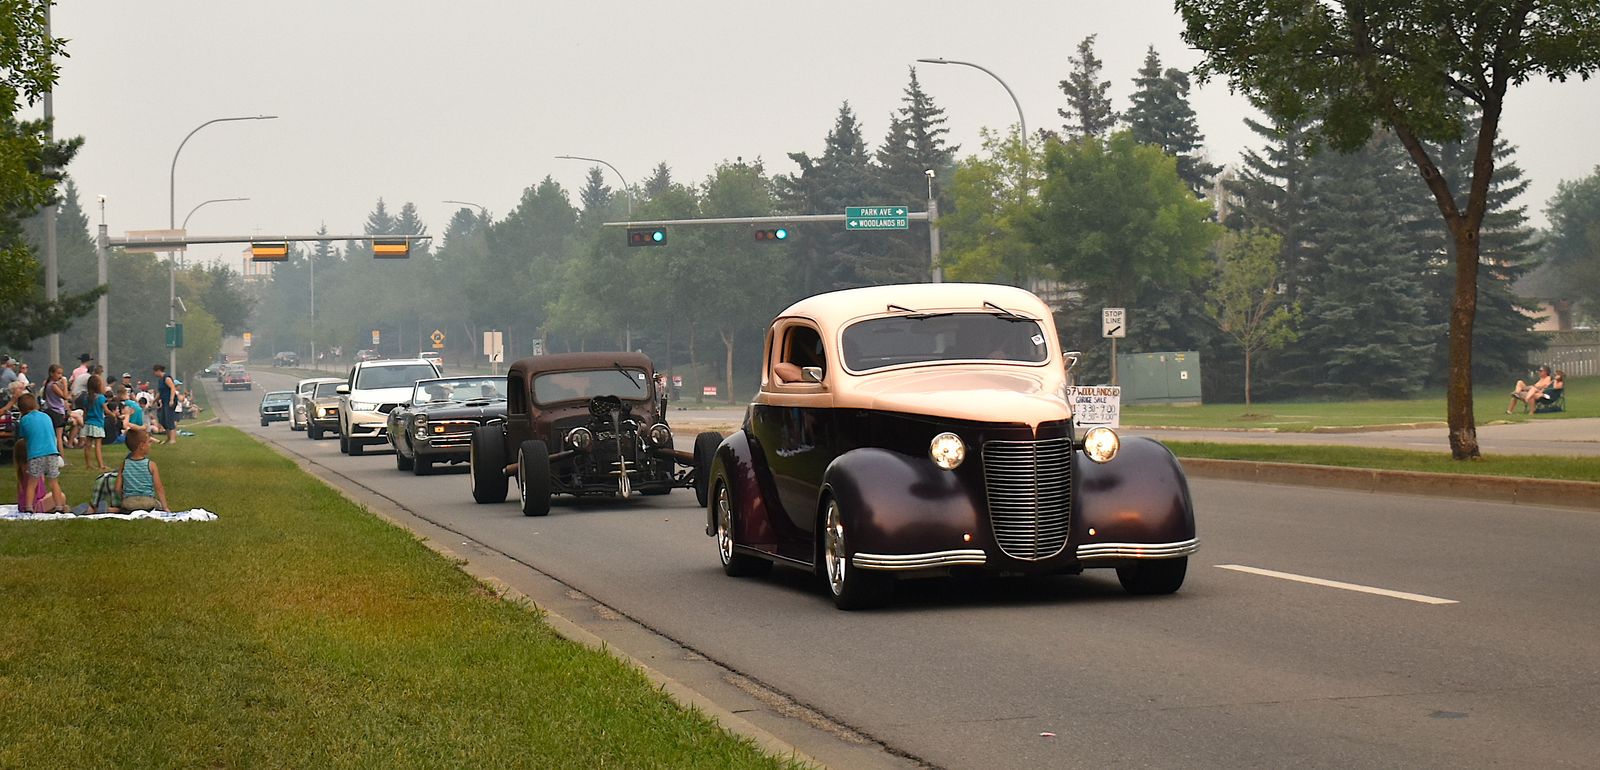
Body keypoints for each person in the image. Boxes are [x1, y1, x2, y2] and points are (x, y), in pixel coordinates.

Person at [15, 393, 66, 514]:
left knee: (32, 482)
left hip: (35, 454)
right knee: (54, 482)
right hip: (52, 452)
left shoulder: (24, 420)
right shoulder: (46, 416)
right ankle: (59, 506)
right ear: (35, 405)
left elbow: (23, 437)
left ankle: (29, 508)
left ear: (21, 409)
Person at [114, 430, 169, 513]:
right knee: (158, 505)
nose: (150, 445)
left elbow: (117, 488)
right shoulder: (151, 465)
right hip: (148, 502)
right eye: (149, 442)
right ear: (142, 446)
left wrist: (124, 498)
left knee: (125, 509)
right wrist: (165, 508)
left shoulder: (124, 464)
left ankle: (114, 510)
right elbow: (159, 488)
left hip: (129, 502)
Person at [81, 374, 110, 471]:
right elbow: (106, 410)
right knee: (98, 445)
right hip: (98, 424)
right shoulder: (101, 398)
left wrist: (83, 421)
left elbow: (85, 412)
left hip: (88, 423)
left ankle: (88, 465)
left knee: (88, 445)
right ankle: (101, 465)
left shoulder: (87, 398)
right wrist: (114, 415)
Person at [42, 363, 72, 451]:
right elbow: (65, 396)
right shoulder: (53, 385)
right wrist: (65, 384)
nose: (60, 376)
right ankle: (61, 456)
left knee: (54, 436)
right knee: (59, 437)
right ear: (52, 373)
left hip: (51, 410)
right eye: (58, 373)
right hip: (57, 412)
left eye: (61, 373)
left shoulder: (49, 384)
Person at [154, 363, 180, 445]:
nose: (154, 374)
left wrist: (171, 400)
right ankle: (168, 437)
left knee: (169, 418)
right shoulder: (160, 380)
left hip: (170, 401)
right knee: (162, 419)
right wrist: (154, 401)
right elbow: (160, 392)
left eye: (155, 372)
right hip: (164, 401)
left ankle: (173, 439)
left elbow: (172, 388)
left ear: (158, 371)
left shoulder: (167, 378)